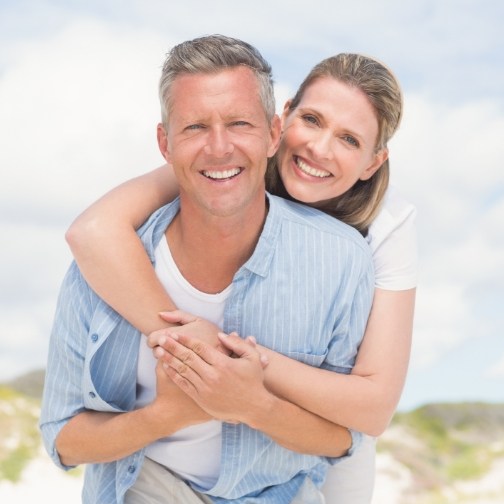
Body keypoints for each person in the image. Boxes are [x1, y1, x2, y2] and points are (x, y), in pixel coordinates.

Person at [65, 50, 417, 502]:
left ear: (373, 162)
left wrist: (233, 367)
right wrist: (188, 345)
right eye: (312, 120)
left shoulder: (387, 227)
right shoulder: (228, 164)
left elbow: (373, 407)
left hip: (327, 441)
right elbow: (92, 232)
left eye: (349, 140)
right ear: (282, 118)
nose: (319, 148)